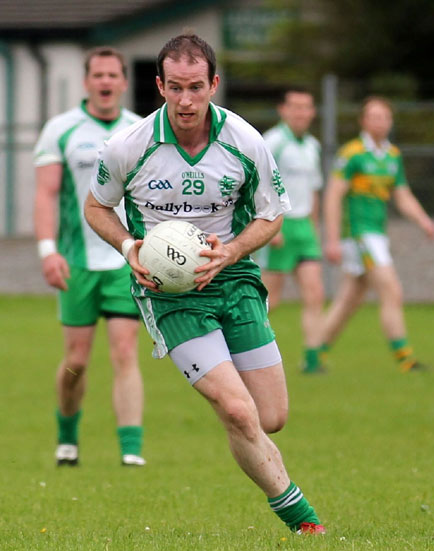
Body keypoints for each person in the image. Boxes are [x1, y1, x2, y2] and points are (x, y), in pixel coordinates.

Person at [84, 34, 325, 534]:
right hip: (168, 292)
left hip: (233, 277)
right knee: (237, 410)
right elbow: (96, 206)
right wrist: (131, 249)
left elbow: (271, 215)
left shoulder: (245, 141)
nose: (186, 100)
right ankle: (304, 522)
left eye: (196, 87)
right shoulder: (129, 145)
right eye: (175, 88)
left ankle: (243, 428)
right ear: (159, 86)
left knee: (270, 415)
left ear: (214, 84)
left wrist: (233, 251)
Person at [34, 46, 146, 466]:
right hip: (77, 262)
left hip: (125, 261)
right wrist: (48, 252)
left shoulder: (140, 130)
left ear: (123, 81)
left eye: (112, 75)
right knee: (76, 360)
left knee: (124, 351)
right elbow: (45, 195)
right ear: (86, 82)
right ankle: (67, 436)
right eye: (97, 75)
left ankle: (131, 451)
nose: (105, 82)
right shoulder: (60, 130)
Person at [322, 96, 434, 372]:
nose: (380, 122)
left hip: (377, 234)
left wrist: (423, 219)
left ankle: (315, 353)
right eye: (374, 117)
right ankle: (405, 358)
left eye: (384, 117)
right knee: (391, 290)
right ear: (363, 121)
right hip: (360, 235)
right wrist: (333, 239)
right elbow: (333, 196)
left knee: (350, 298)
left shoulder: (392, 155)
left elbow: (402, 194)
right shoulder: (352, 153)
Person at [259, 88, 326, 374]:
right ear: (282, 110)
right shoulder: (272, 141)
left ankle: (312, 360)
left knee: (315, 293)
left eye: (306, 107)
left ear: (312, 112)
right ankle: (245, 351)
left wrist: (314, 224)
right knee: (270, 300)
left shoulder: (312, 144)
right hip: (280, 226)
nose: (301, 113)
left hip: (304, 229)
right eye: (295, 107)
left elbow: (313, 189)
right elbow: (257, 182)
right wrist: (270, 224)